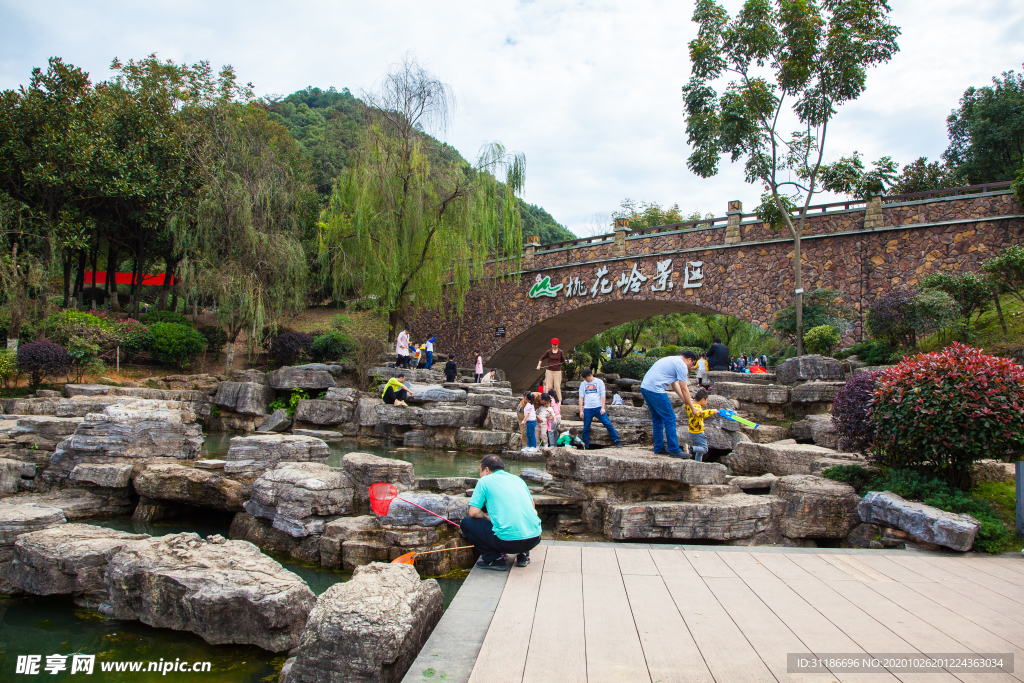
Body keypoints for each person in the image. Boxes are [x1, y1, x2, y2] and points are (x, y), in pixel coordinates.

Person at [460, 455, 542, 571]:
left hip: (508, 543)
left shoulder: (484, 481)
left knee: (466, 523)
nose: (480, 475)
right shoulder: (518, 480)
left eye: (480, 471)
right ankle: (523, 555)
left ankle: (495, 559)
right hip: (534, 538)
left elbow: (473, 512)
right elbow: (532, 505)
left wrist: (488, 518)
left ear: (487, 470)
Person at [640, 350, 701, 457]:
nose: (691, 367)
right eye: (692, 364)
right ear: (689, 359)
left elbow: (674, 384)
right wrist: (692, 407)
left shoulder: (673, 360)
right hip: (655, 389)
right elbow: (684, 388)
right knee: (670, 418)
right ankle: (674, 449)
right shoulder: (682, 365)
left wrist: (685, 400)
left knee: (657, 419)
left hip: (645, 387)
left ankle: (659, 448)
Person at [578, 368, 621, 448]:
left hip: (598, 407)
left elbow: (602, 395)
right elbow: (581, 397)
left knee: (607, 423)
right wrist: (581, 410)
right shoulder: (583, 384)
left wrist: (603, 407)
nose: (585, 380)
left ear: (590, 375)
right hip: (587, 408)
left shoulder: (599, 382)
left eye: (586, 378)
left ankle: (616, 440)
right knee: (586, 427)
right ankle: (585, 445)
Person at [684, 389, 719, 462]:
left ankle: (698, 463)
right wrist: (712, 411)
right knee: (704, 449)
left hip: (691, 432)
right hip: (698, 432)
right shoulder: (697, 407)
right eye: (707, 400)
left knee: (699, 450)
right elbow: (701, 414)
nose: (707, 402)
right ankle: (690, 448)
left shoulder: (690, 405)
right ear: (703, 400)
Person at [536, 338, 567, 403]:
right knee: (548, 386)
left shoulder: (560, 352)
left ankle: (559, 401)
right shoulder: (548, 352)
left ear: (558, 345)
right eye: (553, 345)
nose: (554, 346)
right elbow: (541, 358)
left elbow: (564, 360)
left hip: (557, 371)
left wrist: (567, 361)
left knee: (557, 386)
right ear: (551, 344)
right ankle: (547, 400)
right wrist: (539, 365)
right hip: (549, 370)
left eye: (555, 345)